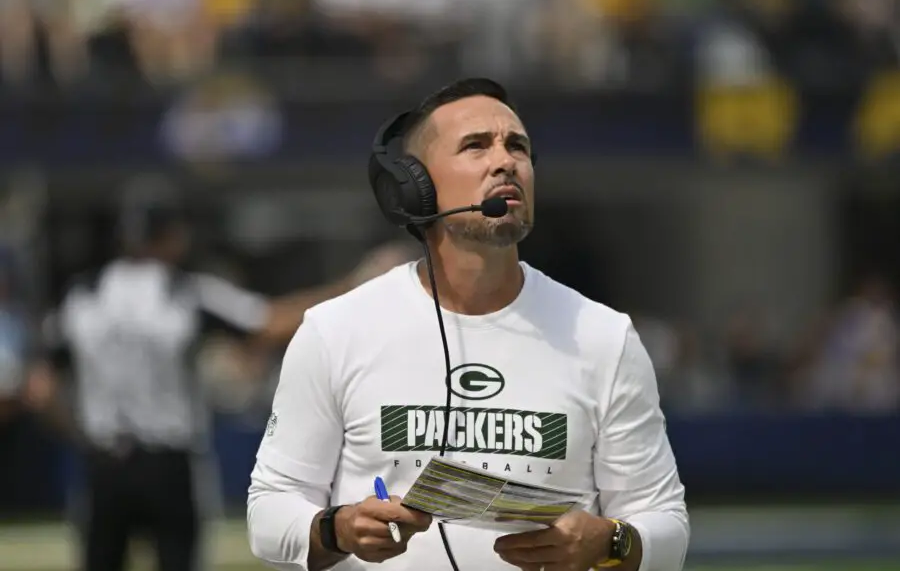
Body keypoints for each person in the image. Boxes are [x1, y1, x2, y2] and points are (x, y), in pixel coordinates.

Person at [247, 77, 689, 571]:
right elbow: (269, 512)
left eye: (517, 145)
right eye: (476, 145)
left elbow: (664, 521)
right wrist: (339, 528)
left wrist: (612, 541)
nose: (506, 161)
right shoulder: (335, 330)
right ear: (415, 186)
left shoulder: (604, 336)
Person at [24, 178, 414, 571]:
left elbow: (39, 388)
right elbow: (270, 323)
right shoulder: (183, 292)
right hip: (169, 462)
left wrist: (82, 435)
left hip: (103, 462)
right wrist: (354, 284)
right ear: (171, 236)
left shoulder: (83, 296)